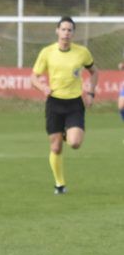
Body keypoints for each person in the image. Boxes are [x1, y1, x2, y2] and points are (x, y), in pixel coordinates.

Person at [31, 16, 98, 194]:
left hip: (75, 103)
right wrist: (42, 87)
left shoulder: (82, 52)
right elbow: (33, 77)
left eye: (70, 30)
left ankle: (67, 133)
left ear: (73, 33)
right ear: (57, 31)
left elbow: (93, 72)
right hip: (54, 103)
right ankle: (60, 184)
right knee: (55, 147)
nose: (66, 33)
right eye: (63, 29)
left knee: (75, 143)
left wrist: (90, 92)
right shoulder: (47, 52)